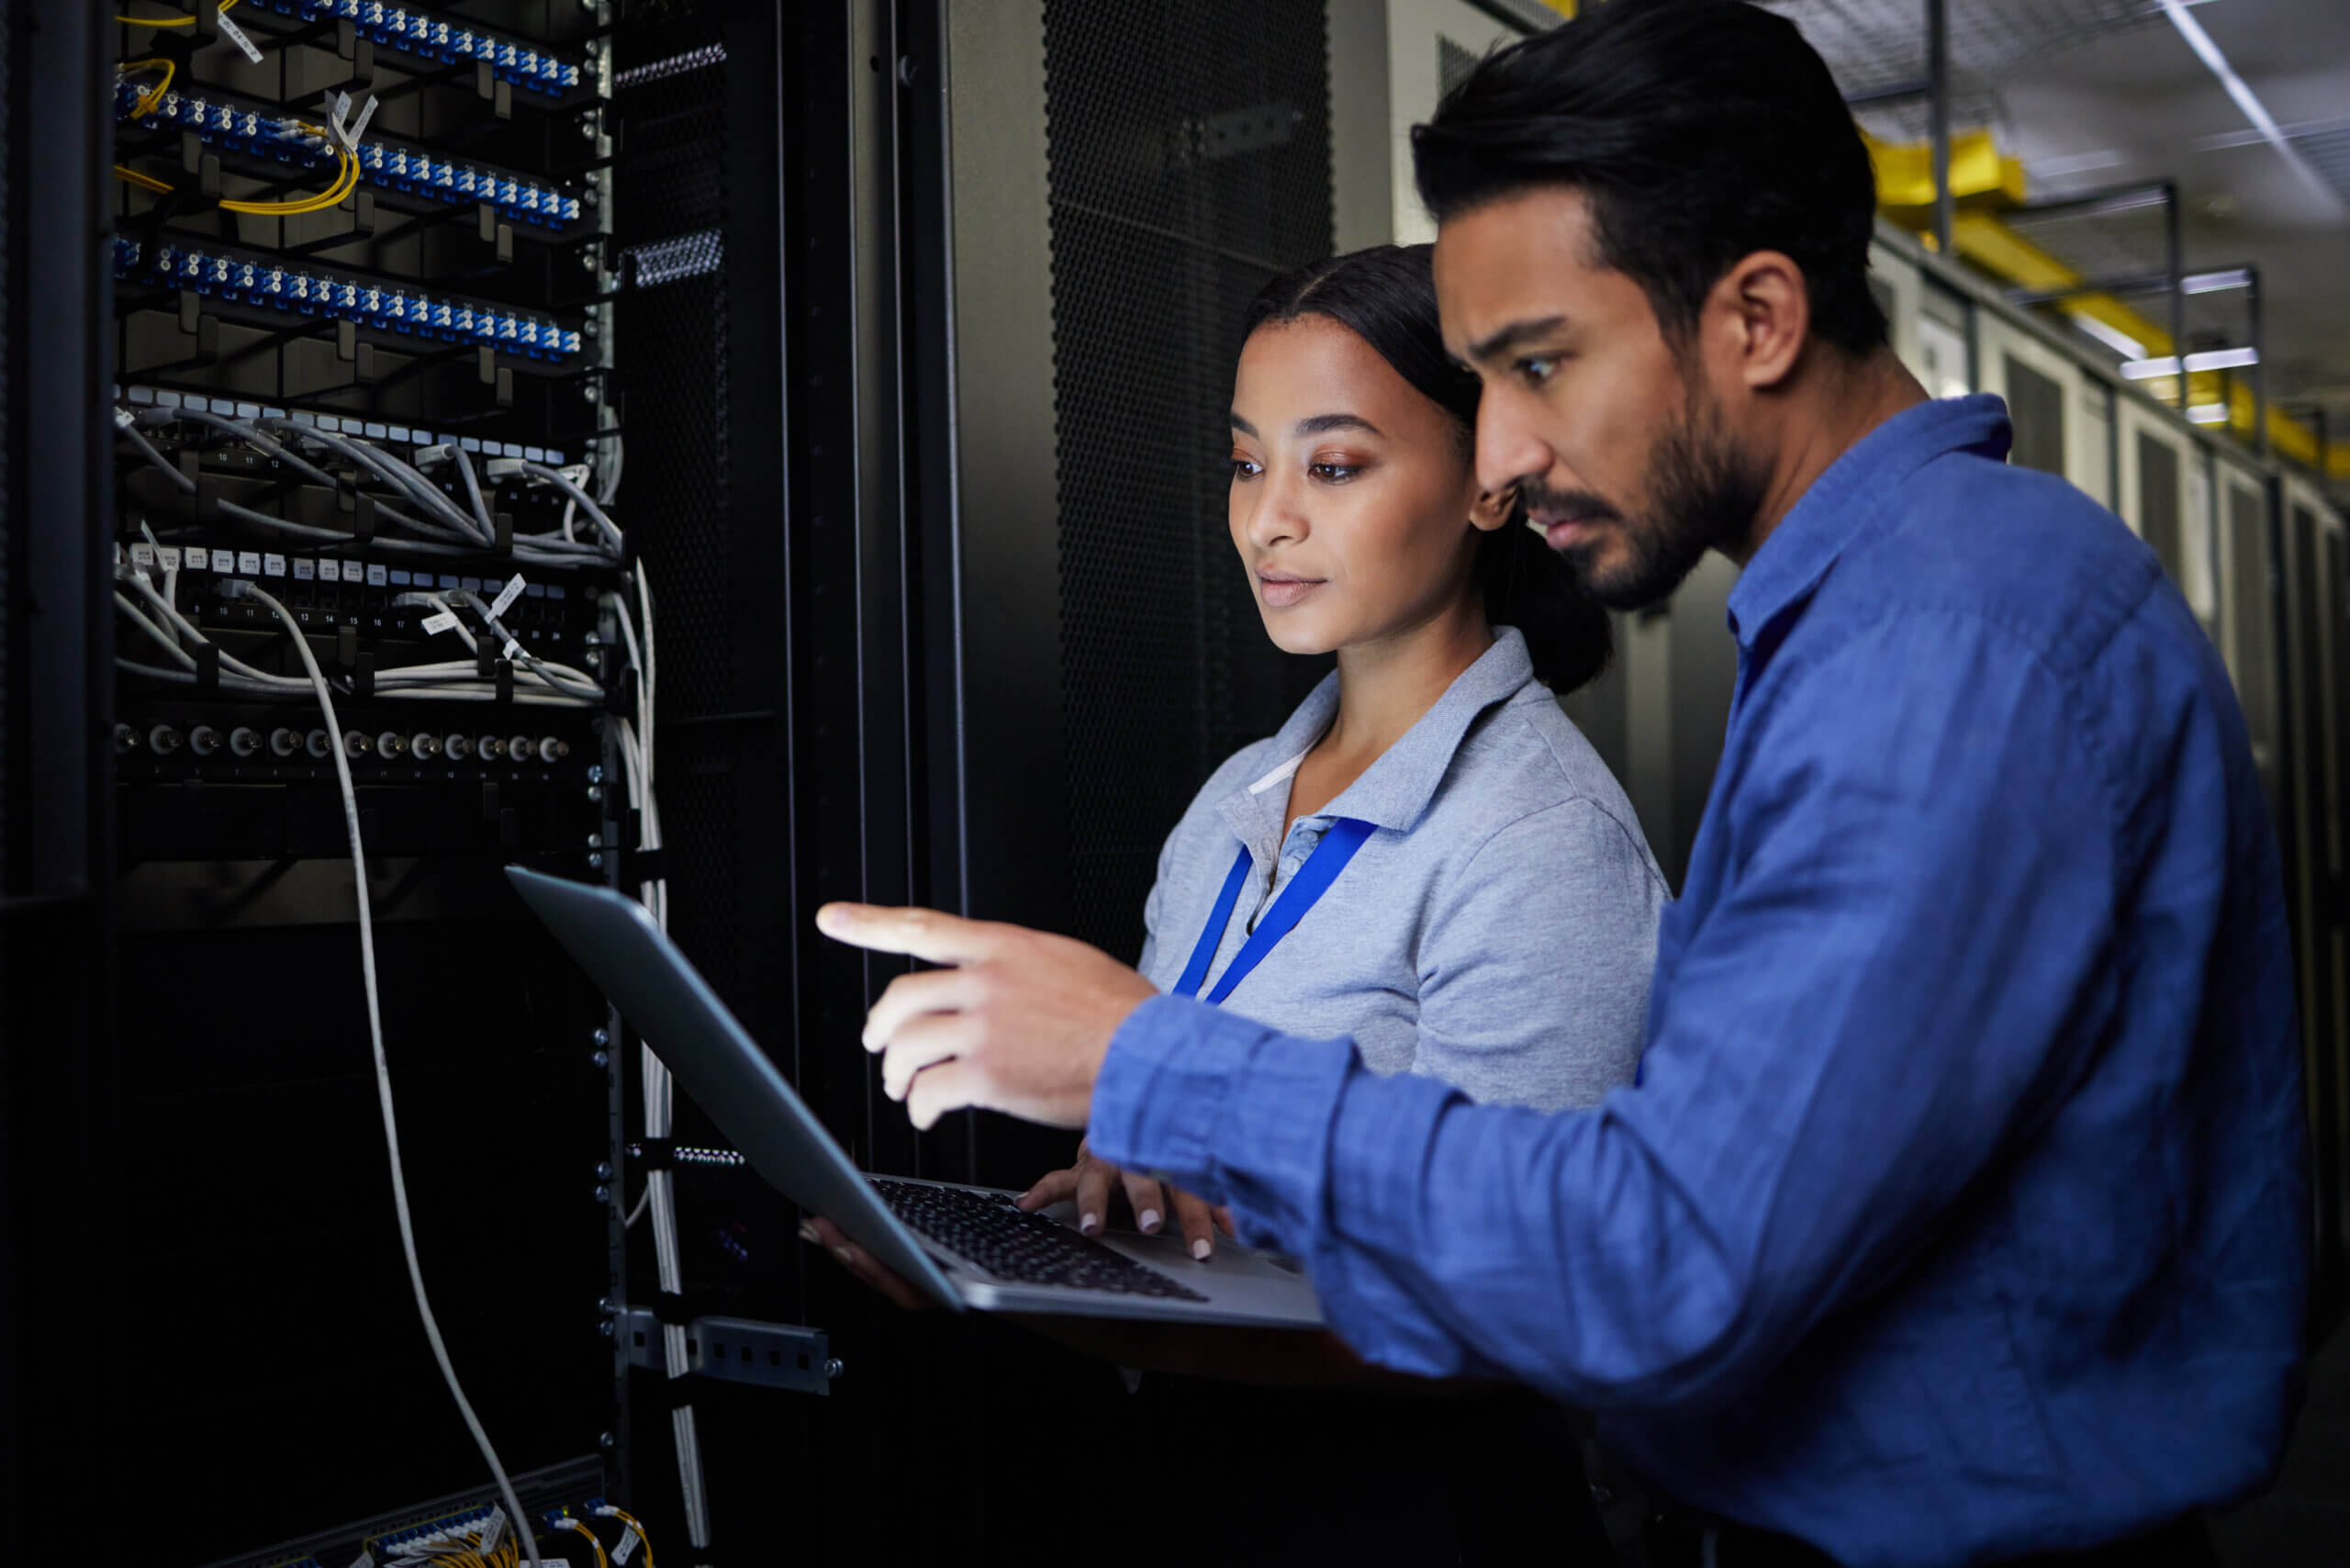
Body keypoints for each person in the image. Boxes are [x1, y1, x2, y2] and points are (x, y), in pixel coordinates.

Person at [819, 3, 2309, 1565]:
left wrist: (1156, 1062)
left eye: (1540, 366)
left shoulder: (1946, 645)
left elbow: (1666, 1260)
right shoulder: (1885, 618)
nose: (1506, 454)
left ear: (1756, 318)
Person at [1017, 243, 1667, 1261]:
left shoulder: (1543, 844)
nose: (1266, 521)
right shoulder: (1231, 802)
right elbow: (1165, 1174)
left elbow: (1516, 1289)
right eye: (1246, 463)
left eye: (1332, 466)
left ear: (1487, 485)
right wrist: (1082, 1233)